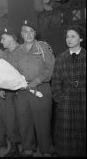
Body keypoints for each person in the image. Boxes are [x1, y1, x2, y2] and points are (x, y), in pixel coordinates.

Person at [15, 20, 55, 156]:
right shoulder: (18, 50)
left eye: (31, 31)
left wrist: (37, 80)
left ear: (35, 33)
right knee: (24, 120)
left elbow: (50, 68)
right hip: (22, 91)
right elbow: (13, 70)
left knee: (43, 121)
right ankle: (27, 147)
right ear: (21, 34)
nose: (28, 34)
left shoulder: (43, 47)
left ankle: (46, 149)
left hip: (40, 89)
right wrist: (16, 83)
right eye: (25, 31)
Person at [51, 25, 86, 157]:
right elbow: (55, 81)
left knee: (83, 134)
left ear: (81, 38)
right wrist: (60, 99)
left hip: (84, 102)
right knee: (66, 138)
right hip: (65, 103)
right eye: (67, 37)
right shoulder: (61, 58)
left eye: (73, 36)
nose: (69, 39)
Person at [0, 27, 21, 157]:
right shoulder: (5, 53)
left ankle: (27, 148)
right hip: (9, 91)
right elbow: (3, 72)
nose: (1, 41)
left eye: (3, 38)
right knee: (10, 120)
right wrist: (2, 87)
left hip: (22, 91)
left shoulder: (23, 50)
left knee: (24, 120)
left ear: (11, 38)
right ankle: (14, 148)